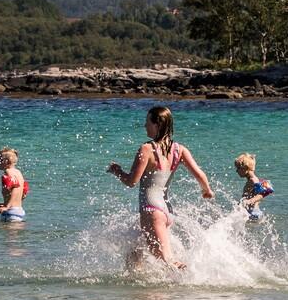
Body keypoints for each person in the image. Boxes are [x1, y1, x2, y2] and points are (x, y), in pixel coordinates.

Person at [108, 105, 212, 269]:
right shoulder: (179, 149)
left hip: (151, 210)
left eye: (147, 122)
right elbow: (199, 174)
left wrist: (117, 171)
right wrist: (207, 190)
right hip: (166, 211)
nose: (145, 126)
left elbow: (131, 182)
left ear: (157, 124)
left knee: (168, 261)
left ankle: (197, 282)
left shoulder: (147, 149)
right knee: (133, 252)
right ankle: (138, 292)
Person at [234, 153, 274, 222]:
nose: (236, 171)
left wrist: (250, 201)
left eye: (238, 168)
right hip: (252, 212)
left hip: (253, 213)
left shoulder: (253, 180)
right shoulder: (253, 179)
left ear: (245, 168)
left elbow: (266, 192)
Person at [0, 147, 29, 223]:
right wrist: (5, 203)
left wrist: (7, 206)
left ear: (7, 161)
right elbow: (24, 193)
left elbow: (15, 187)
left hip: (10, 212)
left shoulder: (8, 172)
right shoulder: (18, 172)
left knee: (10, 234)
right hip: (18, 210)